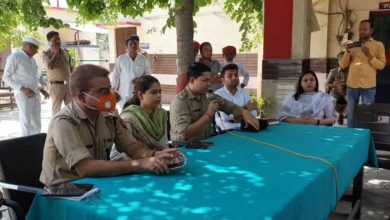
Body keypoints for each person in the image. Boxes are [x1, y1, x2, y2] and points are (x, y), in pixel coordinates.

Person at [40, 64, 178, 186]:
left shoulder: (109, 116)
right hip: (65, 190)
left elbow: (131, 147)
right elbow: (85, 168)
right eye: (103, 92)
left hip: (98, 183)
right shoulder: (64, 122)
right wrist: (141, 163)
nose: (111, 96)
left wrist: (155, 155)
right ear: (81, 97)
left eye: (110, 90)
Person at [170, 62, 259, 142]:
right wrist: (208, 115)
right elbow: (185, 134)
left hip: (207, 142)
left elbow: (229, 106)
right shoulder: (180, 102)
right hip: (186, 149)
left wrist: (244, 112)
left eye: (209, 80)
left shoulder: (208, 96)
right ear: (192, 80)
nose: (209, 84)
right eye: (205, 80)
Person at [339, 19, 386, 128]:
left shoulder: (378, 45)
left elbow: (382, 65)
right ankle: (350, 138)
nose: (362, 31)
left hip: (369, 86)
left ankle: (364, 137)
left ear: (371, 30)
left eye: (365, 29)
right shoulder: (352, 45)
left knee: (367, 114)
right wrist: (347, 52)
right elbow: (343, 65)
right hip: (352, 85)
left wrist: (370, 56)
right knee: (351, 115)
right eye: (360, 29)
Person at [110, 75, 168, 160]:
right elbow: (118, 155)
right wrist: (149, 159)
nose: (159, 95)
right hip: (135, 166)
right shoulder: (129, 118)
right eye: (154, 92)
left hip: (159, 162)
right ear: (140, 95)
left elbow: (164, 144)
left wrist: (167, 154)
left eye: (160, 92)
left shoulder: (161, 115)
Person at [3, 37, 50, 136]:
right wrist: (23, 89)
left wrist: (41, 89)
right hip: (23, 94)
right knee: (26, 121)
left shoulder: (32, 60)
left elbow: (33, 78)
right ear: (28, 46)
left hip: (35, 93)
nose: (37, 51)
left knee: (36, 121)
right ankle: (25, 145)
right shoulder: (14, 57)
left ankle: (35, 143)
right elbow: (6, 77)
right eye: (35, 48)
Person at [111, 35, 152, 111]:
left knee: (138, 113)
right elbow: (116, 75)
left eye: (135, 43)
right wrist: (114, 90)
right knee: (124, 113)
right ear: (126, 47)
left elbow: (148, 75)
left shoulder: (143, 59)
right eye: (131, 44)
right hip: (124, 93)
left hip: (139, 93)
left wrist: (140, 79)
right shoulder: (121, 59)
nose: (133, 45)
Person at [215, 64, 257, 131]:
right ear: (222, 79)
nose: (234, 78)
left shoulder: (244, 93)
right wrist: (244, 110)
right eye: (230, 76)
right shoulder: (218, 94)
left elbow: (253, 113)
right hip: (226, 131)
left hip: (244, 128)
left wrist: (235, 116)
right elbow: (224, 118)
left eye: (236, 75)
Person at [42, 31, 73, 115]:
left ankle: (70, 127)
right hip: (56, 86)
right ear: (49, 41)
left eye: (59, 39)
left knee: (71, 109)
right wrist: (55, 54)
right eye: (55, 40)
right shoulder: (46, 53)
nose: (58, 41)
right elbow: (49, 67)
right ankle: (55, 127)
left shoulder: (65, 52)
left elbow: (70, 67)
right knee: (56, 111)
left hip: (68, 85)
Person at [325, 51, 349, 125]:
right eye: (340, 59)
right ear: (338, 61)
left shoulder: (352, 71)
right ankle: (339, 114)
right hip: (335, 92)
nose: (342, 61)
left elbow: (356, 84)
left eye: (344, 59)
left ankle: (343, 113)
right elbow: (327, 84)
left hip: (348, 91)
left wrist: (344, 86)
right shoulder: (333, 71)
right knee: (330, 100)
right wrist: (332, 86)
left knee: (354, 101)